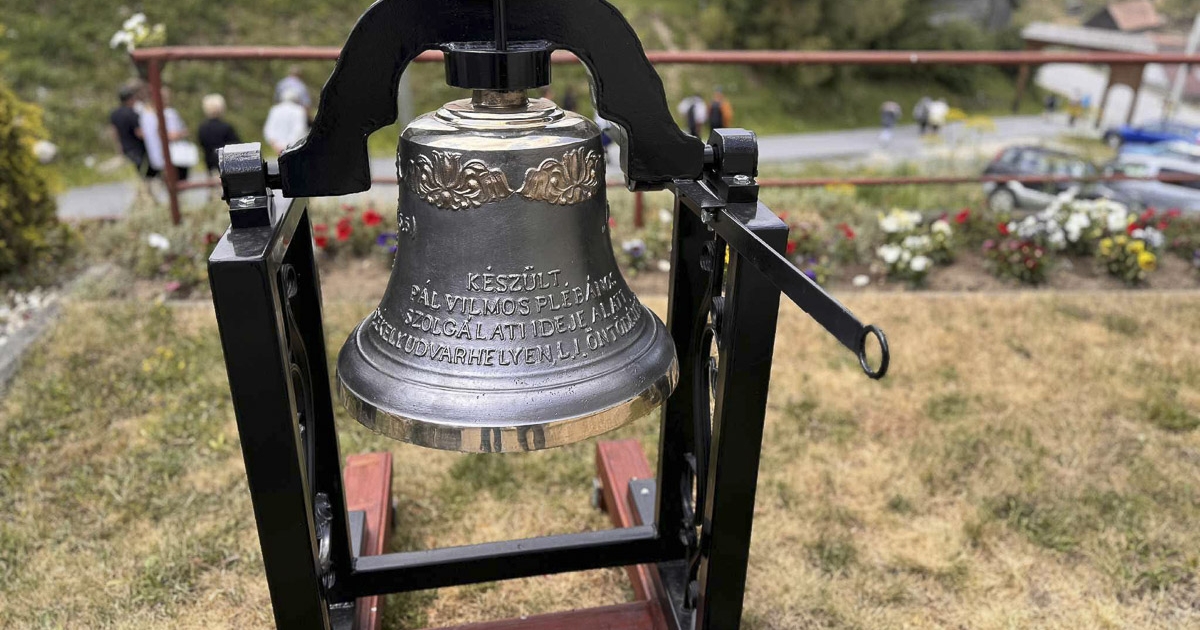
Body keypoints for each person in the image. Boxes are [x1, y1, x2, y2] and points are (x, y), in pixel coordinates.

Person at [139, 88, 192, 181]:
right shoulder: (169, 114)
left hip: (155, 158)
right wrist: (182, 133)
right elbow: (171, 135)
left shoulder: (144, 114)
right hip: (170, 156)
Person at [110, 81, 150, 177]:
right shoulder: (132, 113)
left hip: (126, 148)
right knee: (145, 174)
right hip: (138, 149)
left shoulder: (115, 114)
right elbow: (139, 133)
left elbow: (114, 133)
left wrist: (119, 147)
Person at [198, 94, 241, 176]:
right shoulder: (226, 127)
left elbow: (202, 145)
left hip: (211, 167)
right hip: (228, 168)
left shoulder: (202, 128)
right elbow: (237, 146)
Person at [263, 88, 310, 155]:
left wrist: (276, 145)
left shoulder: (275, 110)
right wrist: (288, 146)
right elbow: (299, 130)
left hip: (278, 148)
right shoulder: (299, 110)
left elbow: (268, 130)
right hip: (294, 149)